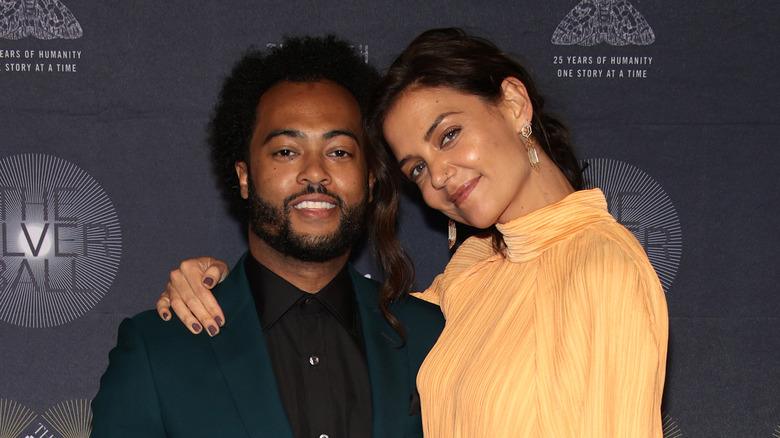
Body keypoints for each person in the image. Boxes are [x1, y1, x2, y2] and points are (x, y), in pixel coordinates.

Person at [159, 28, 668, 437]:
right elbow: (328, 314)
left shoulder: (601, 264)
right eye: (417, 169)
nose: (440, 176)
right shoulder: (471, 276)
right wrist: (222, 285)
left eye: (449, 136)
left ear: (514, 103)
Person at [91, 35, 444, 438]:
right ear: (244, 177)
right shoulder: (158, 350)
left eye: (340, 151)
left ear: (368, 178)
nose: (315, 172)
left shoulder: (430, 334)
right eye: (286, 152)